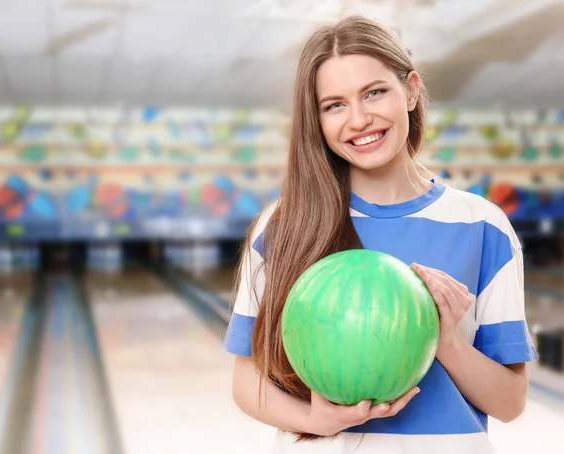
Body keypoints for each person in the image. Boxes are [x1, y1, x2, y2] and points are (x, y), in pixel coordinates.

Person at [223, 15, 537, 454]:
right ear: (317, 119)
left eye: (374, 93)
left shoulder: (482, 225)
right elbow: (245, 381)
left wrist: (443, 340)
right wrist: (315, 419)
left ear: (410, 90)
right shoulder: (283, 226)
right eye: (334, 105)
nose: (358, 119)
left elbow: (511, 403)